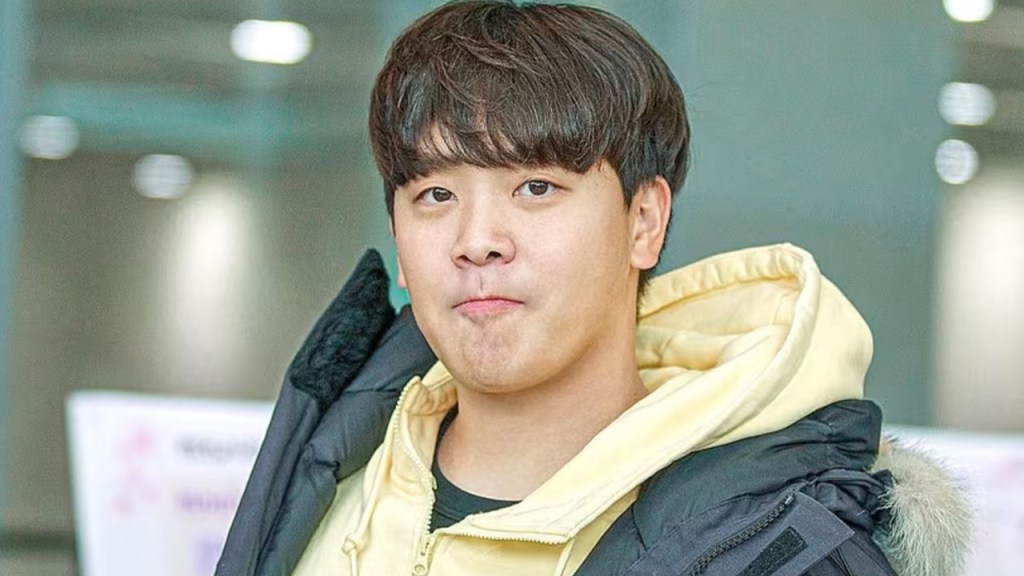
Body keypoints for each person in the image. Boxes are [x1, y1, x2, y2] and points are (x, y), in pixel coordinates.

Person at [216, 2, 970, 575]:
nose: (477, 239)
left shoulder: (781, 549)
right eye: (435, 195)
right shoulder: (325, 482)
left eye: (536, 187)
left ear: (644, 221)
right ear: (398, 240)